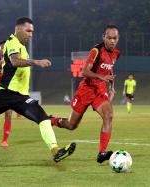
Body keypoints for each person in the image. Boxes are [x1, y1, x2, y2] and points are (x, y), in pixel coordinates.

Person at [0, 17, 76, 162]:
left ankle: (56, 151)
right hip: (5, 94)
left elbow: (4, 60)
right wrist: (36, 62)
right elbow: (14, 61)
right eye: (28, 30)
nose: (31, 34)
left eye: (32, 31)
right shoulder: (12, 42)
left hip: (22, 98)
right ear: (18, 29)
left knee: (43, 119)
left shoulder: (22, 46)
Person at [51, 24, 120, 164]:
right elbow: (85, 72)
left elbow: (110, 70)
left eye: (115, 38)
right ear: (104, 37)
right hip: (86, 90)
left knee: (109, 115)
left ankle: (102, 153)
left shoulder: (116, 53)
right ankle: (51, 120)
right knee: (71, 125)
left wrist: (112, 87)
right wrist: (101, 77)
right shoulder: (96, 50)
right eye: (109, 38)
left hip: (100, 91)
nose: (112, 41)